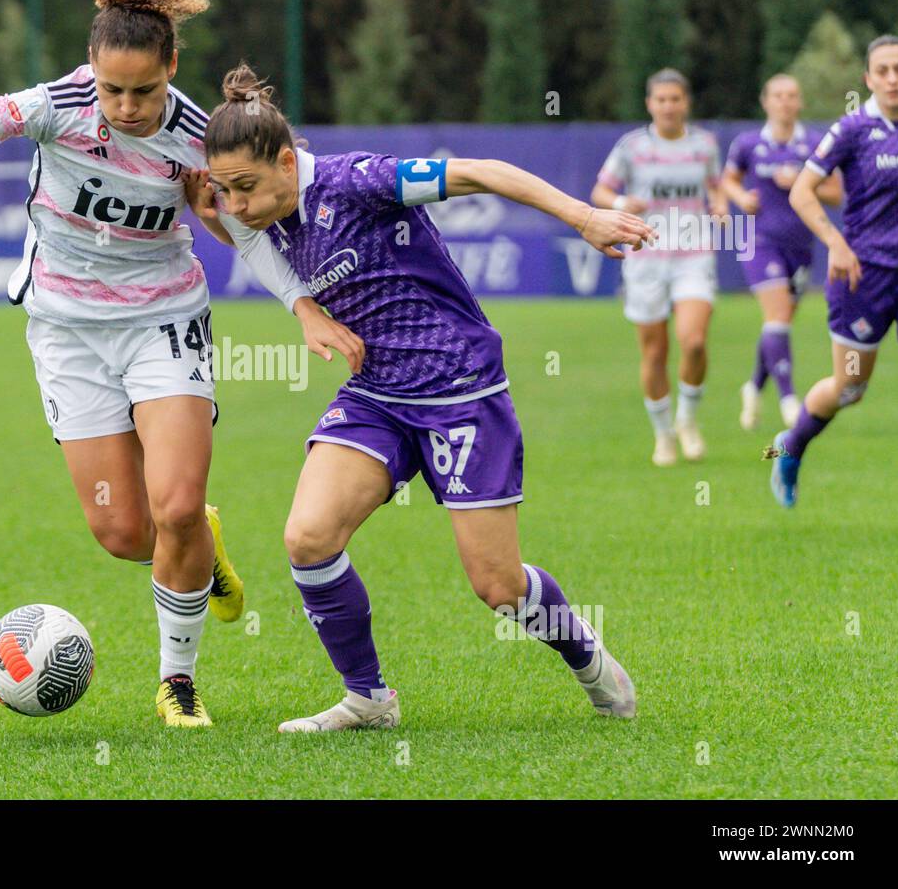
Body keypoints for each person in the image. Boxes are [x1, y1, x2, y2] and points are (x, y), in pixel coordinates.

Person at [0, 0, 361, 727]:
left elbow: (238, 226)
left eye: (141, 91)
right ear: (91, 72)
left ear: (170, 68)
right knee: (123, 532)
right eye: (112, 91)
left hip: (163, 322)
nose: (126, 107)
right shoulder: (57, 107)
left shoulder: (196, 137)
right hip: (68, 332)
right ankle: (205, 549)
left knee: (172, 507)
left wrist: (302, 305)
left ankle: (178, 682)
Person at [197, 64, 651, 731]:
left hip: (459, 387)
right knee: (308, 538)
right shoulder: (264, 211)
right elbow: (232, 224)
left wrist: (585, 217)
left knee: (497, 586)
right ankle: (369, 699)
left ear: (289, 162)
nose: (236, 206)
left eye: (246, 188)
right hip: (377, 394)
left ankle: (586, 656)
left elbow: (483, 172)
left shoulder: (358, 182)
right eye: (225, 189)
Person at [767, 35, 898, 508]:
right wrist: (836, 243)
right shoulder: (854, 129)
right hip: (863, 278)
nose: (892, 79)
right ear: (868, 78)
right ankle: (793, 445)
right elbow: (802, 191)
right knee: (849, 389)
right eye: (883, 70)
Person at [592, 69, 726, 466]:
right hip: (645, 257)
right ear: (650, 104)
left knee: (695, 341)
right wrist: (619, 205)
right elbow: (601, 190)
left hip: (693, 253)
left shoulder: (704, 145)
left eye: (676, 99)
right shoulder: (632, 147)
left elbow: (716, 186)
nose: (669, 106)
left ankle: (687, 420)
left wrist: (719, 206)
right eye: (661, 99)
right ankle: (663, 434)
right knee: (654, 352)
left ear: (687, 103)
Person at [722, 74, 842, 432]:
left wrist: (807, 184)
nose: (785, 102)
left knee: (779, 322)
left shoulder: (816, 144)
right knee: (776, 316)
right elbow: (727, 179)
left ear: (800, 102)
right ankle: (790, 401)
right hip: (759, 240)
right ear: (765, 101)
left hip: (801, 246)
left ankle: (753, 387)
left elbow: (836, 193)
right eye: (778, 95)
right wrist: (741, 197)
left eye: (792, 96)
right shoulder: (748, 143)